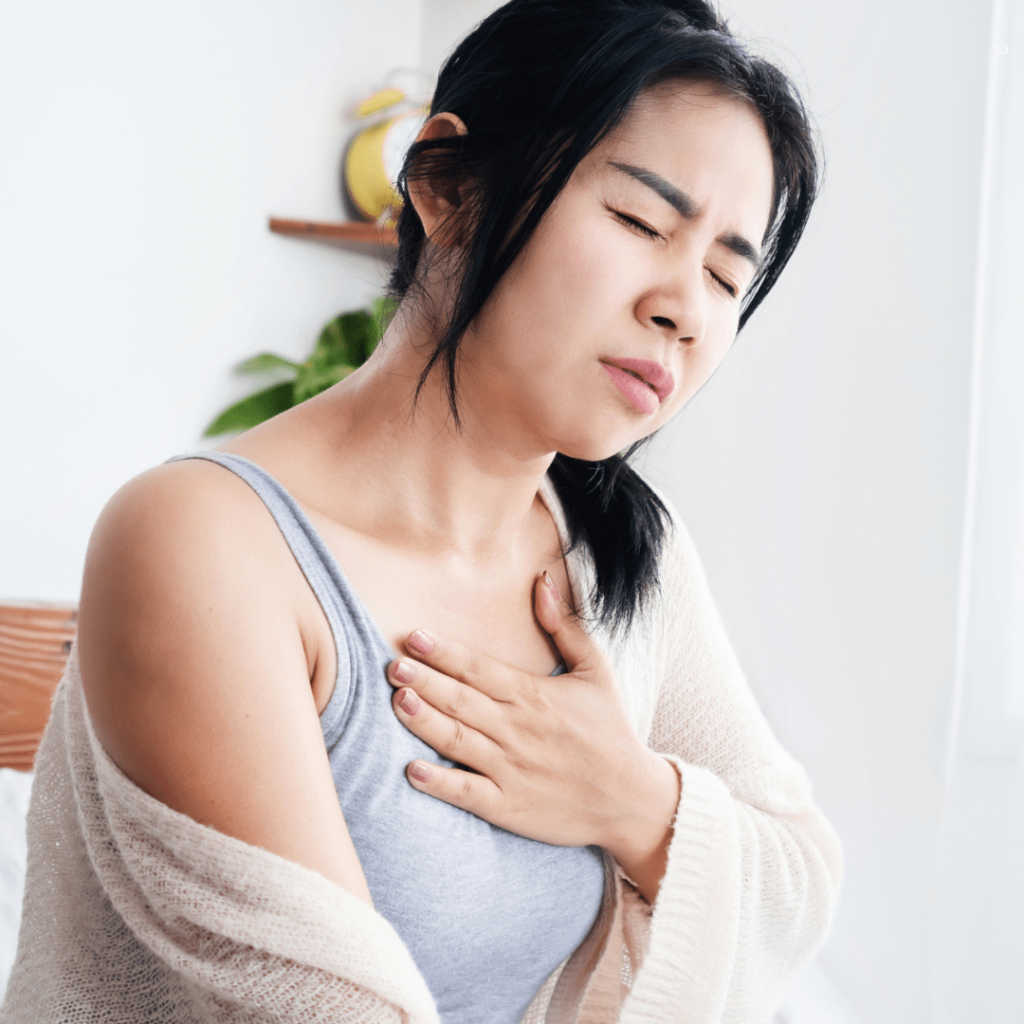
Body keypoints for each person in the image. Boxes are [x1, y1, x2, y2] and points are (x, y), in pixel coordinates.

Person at [1, 1, 842, 1022]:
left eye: (724, 275)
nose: (684, 308)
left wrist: (632, 799)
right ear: (448, 186)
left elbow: (797, 872)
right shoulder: (203, 543)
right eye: (638, 222)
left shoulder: (624, 555)